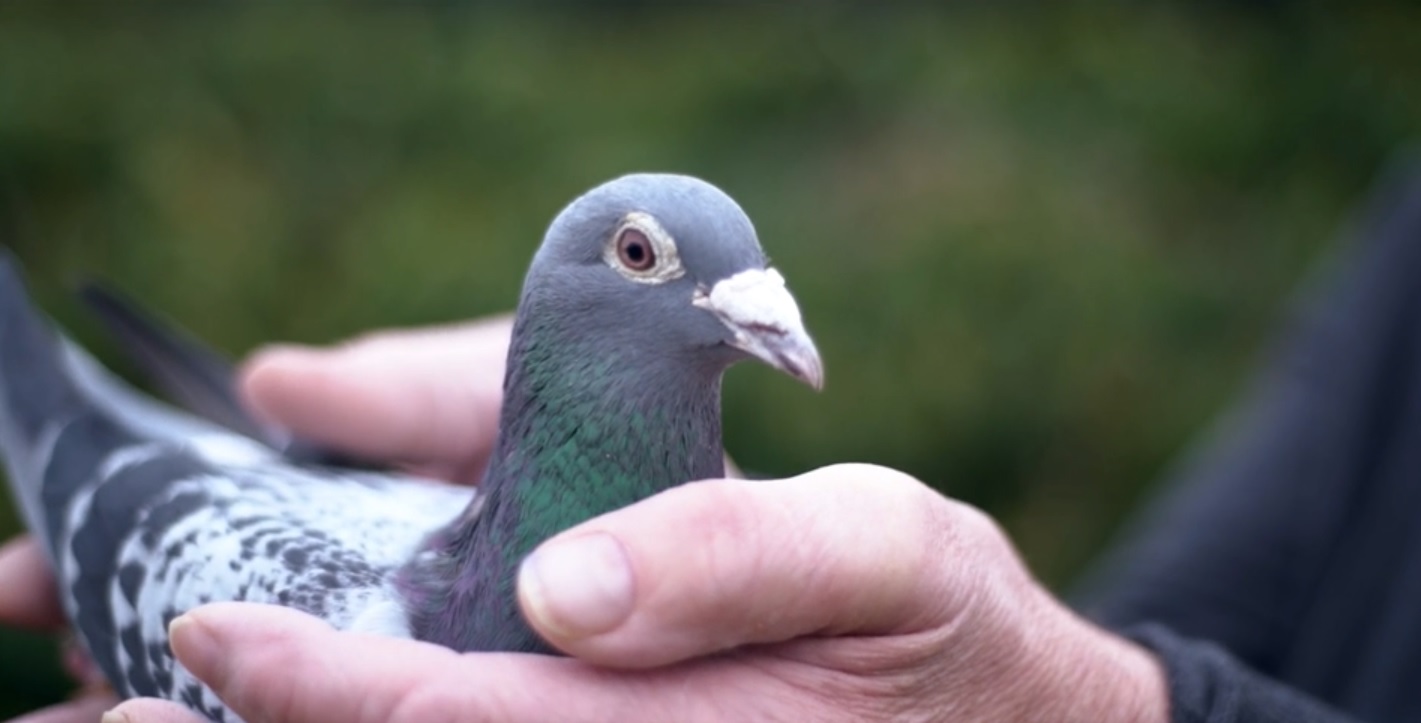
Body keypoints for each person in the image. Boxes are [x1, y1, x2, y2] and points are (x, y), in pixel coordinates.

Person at [5, 159, 1421, 722]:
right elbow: (1249, 564)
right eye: (638, 255)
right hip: (244, 523)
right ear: (570, 294)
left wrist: (1071, 698)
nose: (750, 307)